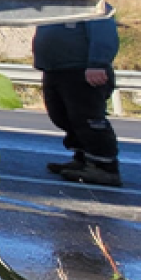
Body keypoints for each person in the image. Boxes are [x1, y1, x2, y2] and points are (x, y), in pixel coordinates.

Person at [34, 12, 122, 187]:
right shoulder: (53, 6)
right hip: (56, 71)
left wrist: (97, 64)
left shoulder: (91, 5)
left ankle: (104, 167)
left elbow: (104, 34)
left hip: (82, 71)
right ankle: (83, 159)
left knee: (87, 119)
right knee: (62, 116)